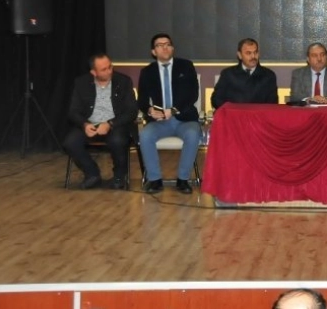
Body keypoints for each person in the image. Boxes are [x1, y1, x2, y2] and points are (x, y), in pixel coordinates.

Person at [137, 33, 202, 194]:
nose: (165, 48)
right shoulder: (147, 72)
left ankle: (183, 179)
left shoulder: (186, 66)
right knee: (145, 135)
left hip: (185, 119)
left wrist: (173, 110)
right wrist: (150, 110)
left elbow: (193, 94)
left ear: (172, 48)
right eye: (160, 45)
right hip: (160, 122)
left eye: (167, 44)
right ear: (153, 52)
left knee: (193, 134)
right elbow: (142, 100)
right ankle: (155, 180)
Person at [62, 53, 138, 189]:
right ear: (93, 72)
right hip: (90, 123)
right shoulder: (81, 83)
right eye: (104, 69)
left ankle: (119, 176)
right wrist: (85, 125)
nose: (109, 71)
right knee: (70, 142)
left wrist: (110, 124)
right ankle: (92, 174)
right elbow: (73, 111)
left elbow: (131, 111)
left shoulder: (123, 81)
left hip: (115, 124)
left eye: (110, 67)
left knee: (118, 141)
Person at [211, 38, 279, 108]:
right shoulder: (228, 74)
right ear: (239, 55)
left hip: (259, 114)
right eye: (248, 53)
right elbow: (216, 100)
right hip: (233, 113)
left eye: (255, 52)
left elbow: (272, 105)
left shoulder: (268, 76)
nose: (253, 56)